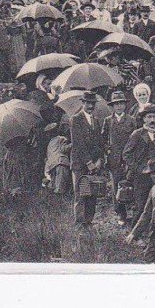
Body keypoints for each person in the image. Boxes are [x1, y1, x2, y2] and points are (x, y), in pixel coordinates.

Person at [69, 91, 106, 227]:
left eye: (93, 103)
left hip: (94, 163)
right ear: (83, 103)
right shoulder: (76, 119)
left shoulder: (96, 120)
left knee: (92, 192)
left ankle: (89, 221)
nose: (90, 106)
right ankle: (80, 223)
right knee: (81, 194)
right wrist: (89, 162)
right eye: (88, 103)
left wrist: (100, 160)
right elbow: (78, 144)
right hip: (80, 164)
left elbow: (99, 143)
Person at [103, 90, 137, 225]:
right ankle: (121, 214)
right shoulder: (108, 121)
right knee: (116, 186)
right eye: (116, 104)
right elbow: (103, 138)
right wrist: (108, 149)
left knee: (131, 184)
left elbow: (136, 139)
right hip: (114, 159)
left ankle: (134, 212)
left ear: (125, 105)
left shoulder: (132, 120)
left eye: (121, 103)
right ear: (112, 106)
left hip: (129, 158)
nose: (119, 106)